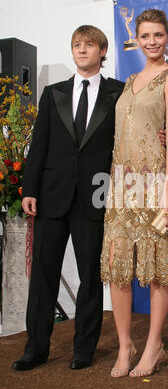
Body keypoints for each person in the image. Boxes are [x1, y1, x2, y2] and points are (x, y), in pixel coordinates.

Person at [12, 25, 124, 371]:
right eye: (77, 45)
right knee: (43, 274)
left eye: (89, 45)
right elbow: (39, 145)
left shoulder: (118, 94)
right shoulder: (53, 93)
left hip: (95, 196)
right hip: (51, 196)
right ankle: (36, 348)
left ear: (102, 51)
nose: (81, 50)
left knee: (90, 276)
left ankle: (84, 348)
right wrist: (29, 189)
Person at [100, 9, 168, 378]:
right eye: (145, 35)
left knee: (157, 269)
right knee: (118, 267)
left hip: (153, 185)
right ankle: (125, 345)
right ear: (136, 37)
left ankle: (153, 346)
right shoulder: (129, 79)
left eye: (157, 35)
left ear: (167, 39)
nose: (151, 42)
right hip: (120, 187)